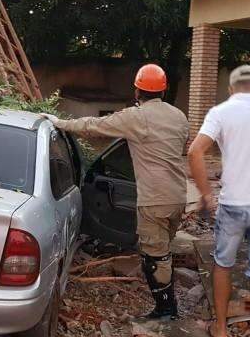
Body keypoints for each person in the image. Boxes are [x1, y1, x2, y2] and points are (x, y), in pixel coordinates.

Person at [41, 64, 189, 319]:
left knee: (155, 257)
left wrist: (60, 122)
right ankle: (168, 303)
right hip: (178, 197)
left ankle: (166, 311)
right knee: (163, 252)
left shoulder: (136, 117)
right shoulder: (179, 116)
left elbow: (94, 125)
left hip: (153, 200)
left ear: (137, 90)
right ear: (163, 91)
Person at [188, 65, 250, 337]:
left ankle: (221, 329)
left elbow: (195, 151)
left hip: (235, 204)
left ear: (231, 89)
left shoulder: (221, 112)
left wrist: (206, 195)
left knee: (223, 263)